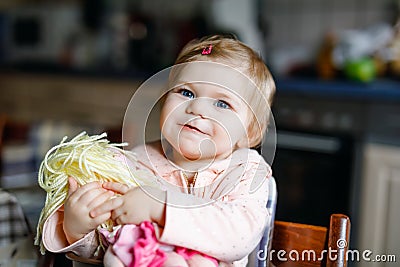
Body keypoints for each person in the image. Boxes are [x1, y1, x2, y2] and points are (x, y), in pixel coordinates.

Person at [40, 34, 276, 267]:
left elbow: (240, 235)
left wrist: (160, 208)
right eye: (186, 92)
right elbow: (107, 247)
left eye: (222, 103)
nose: (196, 107)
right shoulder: (135, 163)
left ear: (251, 131)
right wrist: (78, 229)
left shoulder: (246, 170)